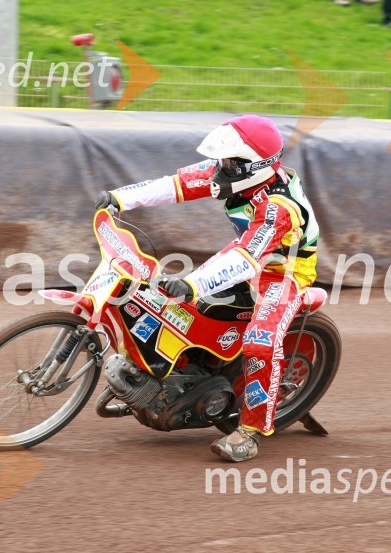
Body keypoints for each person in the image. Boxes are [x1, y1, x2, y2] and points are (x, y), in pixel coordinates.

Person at [94, 115, 320, 462]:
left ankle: (250, 432)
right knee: (173, 303)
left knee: (259, 342)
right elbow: (175, 185)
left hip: (281, 273)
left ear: (254, 166)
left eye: (230, 162)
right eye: (222, 160)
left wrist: (194, 283)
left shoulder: (279, 208)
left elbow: (245, 258)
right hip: (249, 254)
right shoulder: (232, 173)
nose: (220, 168)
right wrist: (119, 198)